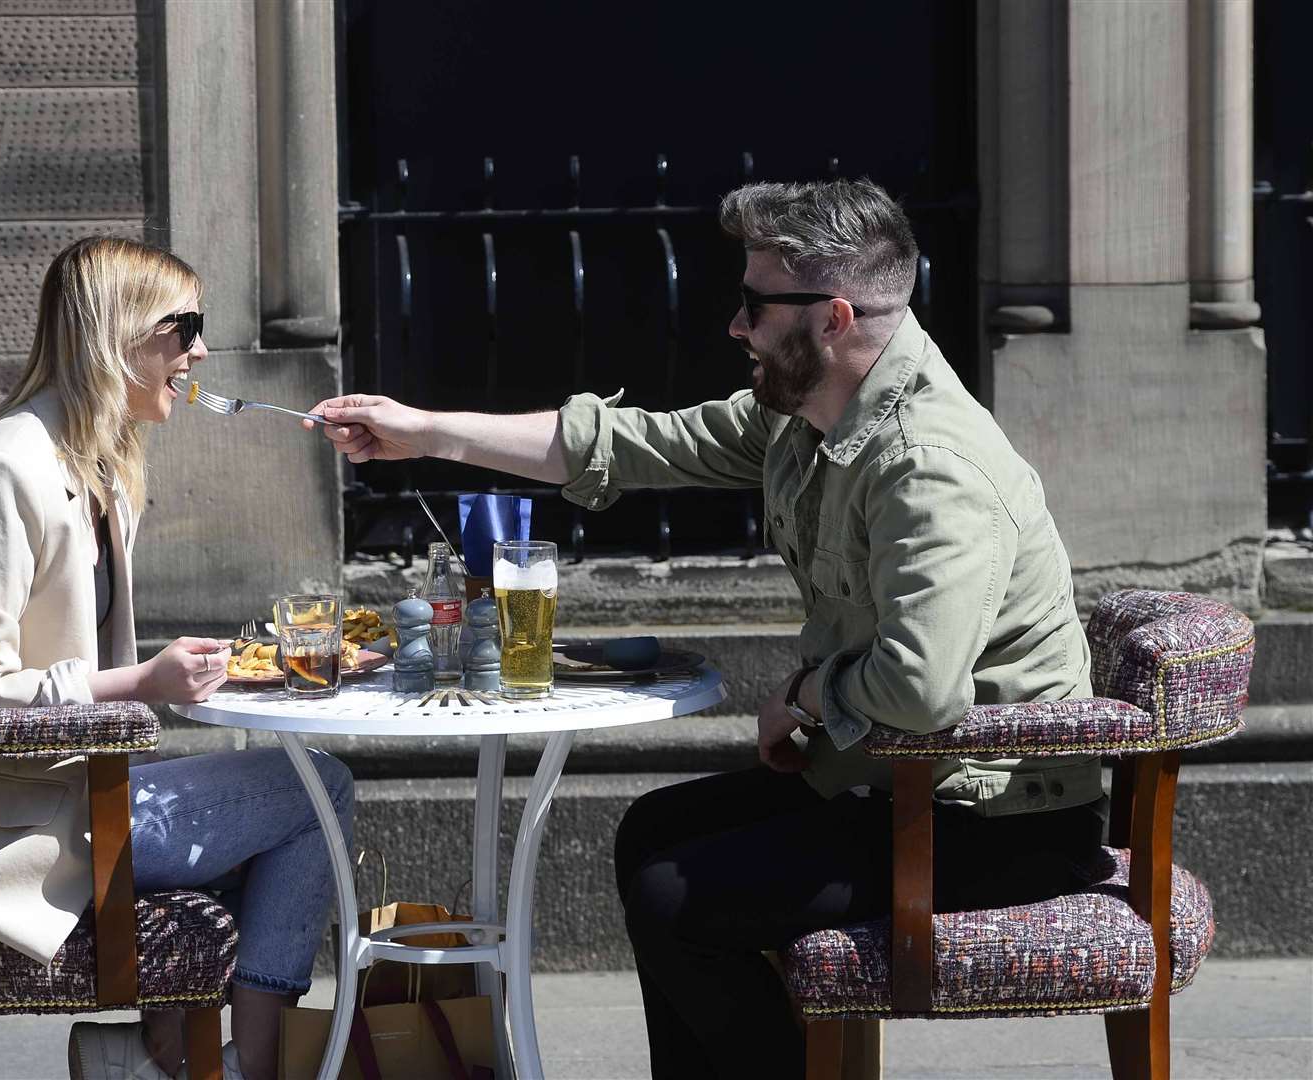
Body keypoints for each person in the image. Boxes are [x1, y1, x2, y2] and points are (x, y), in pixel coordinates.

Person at [304, 179, 1108, 1076]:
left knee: (676, 893)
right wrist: (420, 432)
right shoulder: (811, 420)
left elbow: (921, 692)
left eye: (756, 304)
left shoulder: (927, 468)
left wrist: (804, 695)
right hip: (892, 779)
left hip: (985, 821)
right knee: (653, 833)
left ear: (833, 317)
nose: (736, 326)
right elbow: (632, 443)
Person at [0, 236, 353, 1080]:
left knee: (297, 790)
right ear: (117, 334)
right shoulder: (5, 468)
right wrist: (142, 683)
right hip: (15, 825)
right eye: (184, 327)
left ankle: (159, 1053)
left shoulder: (94, 460)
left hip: (76, 790)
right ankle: (240, 1065)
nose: (200, 351)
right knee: (317, 790)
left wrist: (174, 677)